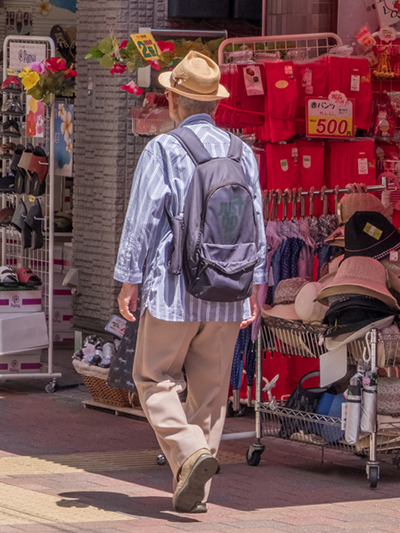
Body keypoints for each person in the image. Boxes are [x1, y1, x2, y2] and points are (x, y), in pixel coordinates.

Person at [114, 51, 267, 513]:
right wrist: (255, 285)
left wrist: (128, 279)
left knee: (152, 377)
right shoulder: (242, 152)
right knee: (211, 395)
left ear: (172, 98)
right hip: (228, 289)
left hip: (174, 288)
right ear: (216, 104)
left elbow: (142, 219)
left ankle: (188, 453)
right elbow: (257, 221)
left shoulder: (163, 148)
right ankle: (195, 490)